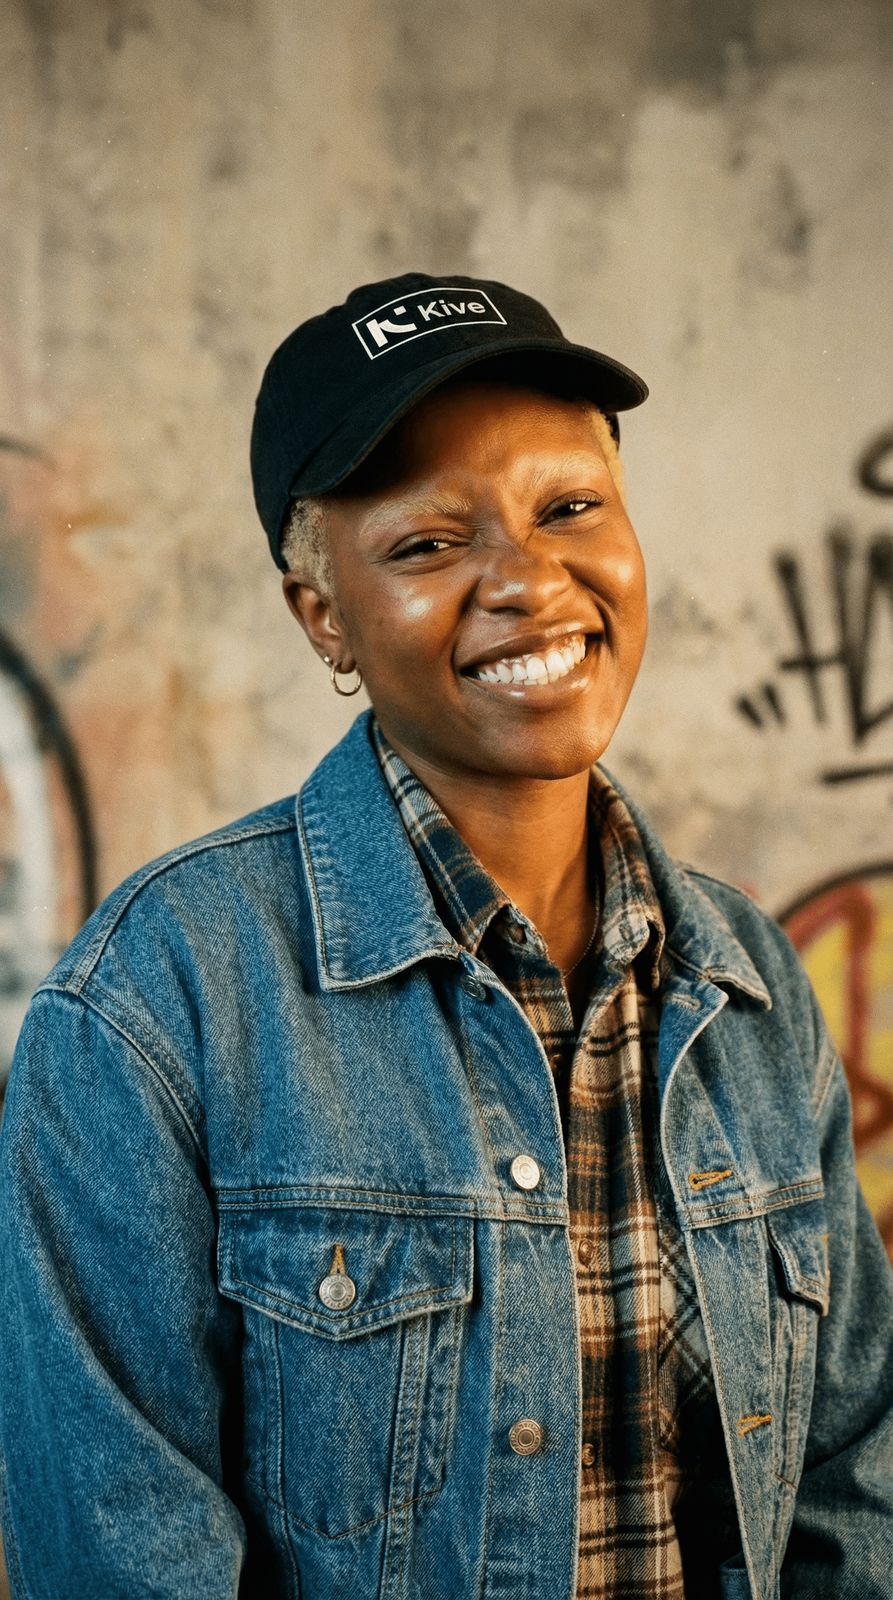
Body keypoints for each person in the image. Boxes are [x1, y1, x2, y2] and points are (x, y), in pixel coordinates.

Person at [0, 272, 890, 1600]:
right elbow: (122, 1558)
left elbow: (847, 1490)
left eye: (569, 510)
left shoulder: (748, 986)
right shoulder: (155, 1007)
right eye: (425, 545)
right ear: (323, 617)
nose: (528, 582)